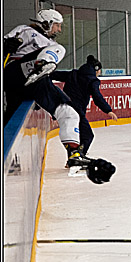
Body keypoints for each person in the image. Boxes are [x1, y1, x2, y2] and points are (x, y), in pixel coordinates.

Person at [3, 10, 91, 169]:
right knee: (59, 48)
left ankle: (74, 153)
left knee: (68, 112)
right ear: (46, 23)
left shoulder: (50, 44)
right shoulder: (26, 31)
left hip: (36, 81)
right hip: (15, 73)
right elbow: (6, 42)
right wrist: (5, 45)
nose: (59, 30)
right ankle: (42, 64)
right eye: (57, 25)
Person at [51, 55, 118, 157]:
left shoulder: (73, 74)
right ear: (96, 69)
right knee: (87, 136)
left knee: (74, 136)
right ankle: (78, 157)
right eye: (99, 70)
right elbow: (96, 96)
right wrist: (108, 110)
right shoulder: (92, 80)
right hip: (76, 111)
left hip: (62, 109)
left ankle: (72, 158)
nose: (99, 73)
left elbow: (53, 75)